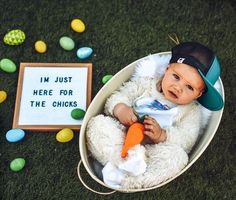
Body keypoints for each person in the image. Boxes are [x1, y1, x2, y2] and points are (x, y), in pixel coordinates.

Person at [86, 42, 224, 189]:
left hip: (152, 153)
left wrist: (162, 135)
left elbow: (187, 139)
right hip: (123, 137)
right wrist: (120, 109)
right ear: (167, 70)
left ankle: (132, 181)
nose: (178, 88)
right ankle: (120, 164)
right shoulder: (146, 84)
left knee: (178, 157)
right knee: (97, 124)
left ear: (198, 94)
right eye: (176, 77)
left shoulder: (191, 111)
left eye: (189, 87)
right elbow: (120, 95)